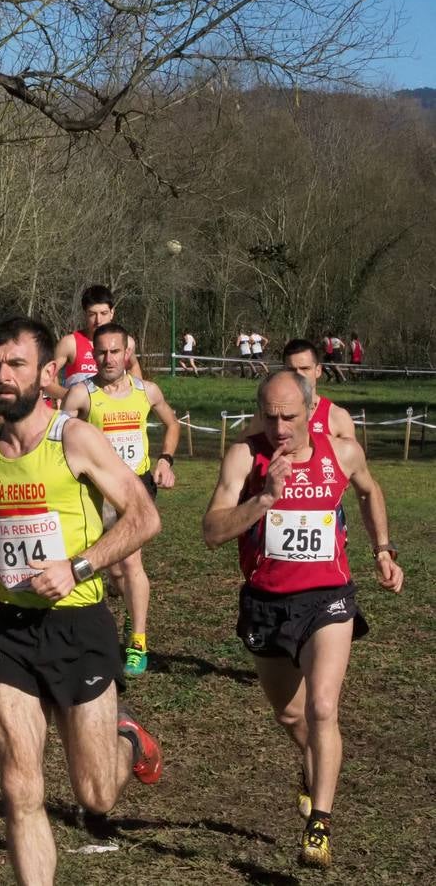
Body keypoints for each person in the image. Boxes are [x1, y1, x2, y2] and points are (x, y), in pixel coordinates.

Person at [0, 316, 164, 886]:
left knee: (96, 795)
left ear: (47, 373)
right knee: (20, 789)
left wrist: (80, 566)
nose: (2, 376)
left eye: (16, 364)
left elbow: (145, 517)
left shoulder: (75, 439)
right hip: (14, 629)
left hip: (80, 624)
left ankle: (125, 736)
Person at [202, 370, 401, 868]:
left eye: (289, 416)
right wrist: (264, 498)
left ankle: (320, 824)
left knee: (322, 706)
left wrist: (382, 549)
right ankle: (313, 767)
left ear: (312, 411)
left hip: (328, 599)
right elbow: (210, 531)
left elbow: (369, 491)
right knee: (292, 715)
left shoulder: (343, 452)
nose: (280, 426)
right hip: (266, 603)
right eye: (269, 416)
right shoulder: (245, 456)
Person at [61, 323, 180, 676]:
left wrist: (166, 459)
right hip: (96, 488)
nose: (109, 358)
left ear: (128, 352)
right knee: (111, 567)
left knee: (130, 564)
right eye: (101, 352)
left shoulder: (147, 391)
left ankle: (138, 641)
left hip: (135, 486)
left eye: (116, 351)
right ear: (93, 354)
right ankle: (123, 605)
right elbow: (59, 438)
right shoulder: (82, 395)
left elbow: (172, 424)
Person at [47, 285, 143, 398]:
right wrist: (69, 397)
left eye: (104, 313)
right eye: (92, 314)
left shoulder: (127, 342)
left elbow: (133, 366)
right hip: (79, 414)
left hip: (113, 413)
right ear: (85, 315)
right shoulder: (70, 343)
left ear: (112, 313)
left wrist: (137, 398)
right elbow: (47, 378)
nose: (98, 320)